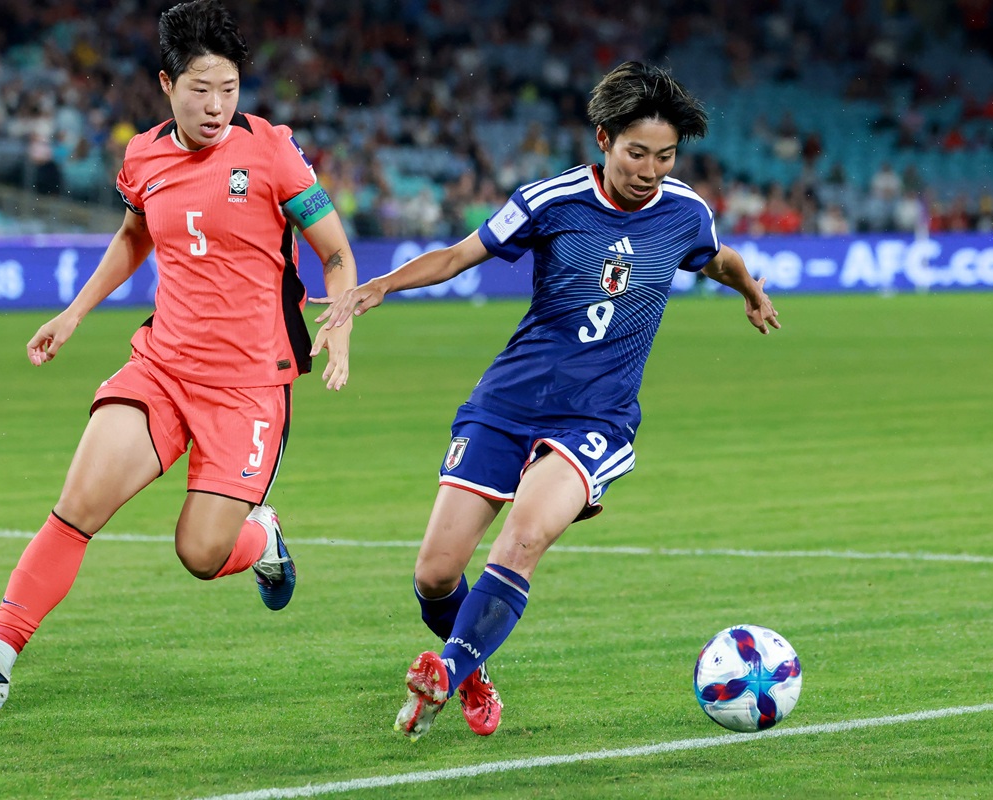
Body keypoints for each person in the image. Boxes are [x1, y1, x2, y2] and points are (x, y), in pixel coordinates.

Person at [315, 61, 780, 741]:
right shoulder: (551, 200)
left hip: (598, 416)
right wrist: (381, 286)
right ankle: (470, 670)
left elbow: (718, 257)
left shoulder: (684, 212)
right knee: (437, 574)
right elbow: (459, 255)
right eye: (636, 153)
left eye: (665, 156)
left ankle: (445, 672)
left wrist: (752, 291)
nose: (650, 169)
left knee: (526, 534)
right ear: (603, 139)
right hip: (509, 399)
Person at [0, 0, 357, 712]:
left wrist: (340, 325)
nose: (217, 105)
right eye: (201, 88)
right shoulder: (144, 155)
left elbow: (338, 253)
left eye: (229, 88)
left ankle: (263, 535)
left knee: (200, 554)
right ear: (167, 85)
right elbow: (135, 237)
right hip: (163, 367)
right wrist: (73, 314)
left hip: (249, 388)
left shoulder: (271, 151)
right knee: (76, 510)